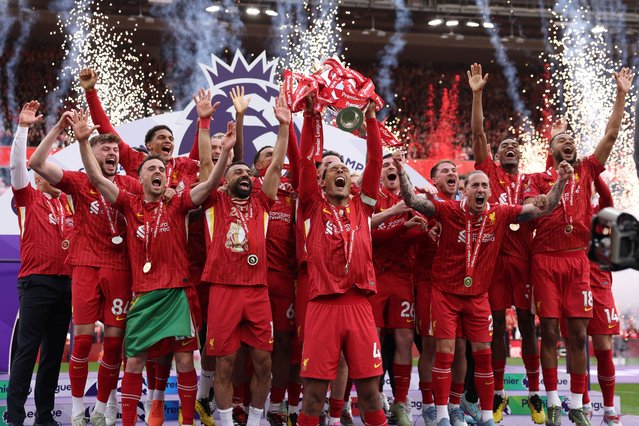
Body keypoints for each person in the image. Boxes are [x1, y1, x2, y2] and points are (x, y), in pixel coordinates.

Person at [72, 107, 237, 426]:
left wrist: (225, 154)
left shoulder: (179, 203)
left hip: (178, 294)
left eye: (163, 167)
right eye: (152, 168)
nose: (159, 171)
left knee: (185, 360)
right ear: (141, 174)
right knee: (133, 362)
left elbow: (209, 184)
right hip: (144, 295)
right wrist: (82, 143)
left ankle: (187, 421)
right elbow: (95, 178)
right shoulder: (128, 203)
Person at [397, 158, 573, 426]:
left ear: (490, 192)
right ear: (464, 190)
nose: (480, 189)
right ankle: (443, 415)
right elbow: (413, 201)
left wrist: (561, 181)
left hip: (478, 296)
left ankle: (487, 416)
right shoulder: (448, 210)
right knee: (446, 353)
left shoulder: (500, 213)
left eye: (485, 186)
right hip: (445, 294)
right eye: (475, 185)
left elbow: (544, 207)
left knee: (484, 355)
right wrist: (401, 171)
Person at [524, 67, 633, 426]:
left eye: (571, 138)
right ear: (550, 151)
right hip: (546, 259)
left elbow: (612, 133)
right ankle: (553, 401)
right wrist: (559, 182)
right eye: (560, 140)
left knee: (579, 333)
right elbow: (537, 209)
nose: (567, 141)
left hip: (577, 261)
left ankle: (576, 404)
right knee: (550, 331)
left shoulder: (587, 169)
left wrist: (620, 94)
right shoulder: (538, 179)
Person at [29, 108, 141, 426]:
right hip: (86, 266)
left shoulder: (131, 185)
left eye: (114, 149)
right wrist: (59, 129)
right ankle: (78, 408)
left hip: (120, 269)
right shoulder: (79, 182)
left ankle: (102, 407)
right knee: (80, 341)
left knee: (115, 344)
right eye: (104, 149)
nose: (111, 153)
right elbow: (36, 164)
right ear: (90, 154)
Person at [296, 93, 387, 426]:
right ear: (321, 182)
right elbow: (307, 160)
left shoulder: (362, 206)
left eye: (344, 170)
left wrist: (372, 120)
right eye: (332, 169)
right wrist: (310, 117)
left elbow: (375, 159)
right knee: (314, 397)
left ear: (352, 183)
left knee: (370, 395)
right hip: (322, 307)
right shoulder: (311, 206)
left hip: (360, 306)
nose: (340, 172)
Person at [201, 93, 291, 426]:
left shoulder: (263, 201)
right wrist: (205, 122)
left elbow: (278, 165)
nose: (243, 175)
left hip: (257, 291)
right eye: (235, 171)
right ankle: (225, 420)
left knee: (263, 362)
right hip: (223, 290)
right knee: (225, 363)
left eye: (246, 172)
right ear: (224, 182)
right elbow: (208, 167)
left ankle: (255, 419)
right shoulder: (215, 201)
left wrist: (284, 127)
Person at [467, 62, 544, 424]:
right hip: (494, 261)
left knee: (528, 325)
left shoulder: (529, 180)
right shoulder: (489, 173)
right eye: (504, 146)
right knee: (497, 324)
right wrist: (478, 94)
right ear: (496, 157)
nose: (510, 147)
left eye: (515, 145)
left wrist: (532, 206)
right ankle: (497, 393)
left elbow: (535, 204)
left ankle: (534, 394)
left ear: (520, 155)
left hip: (524, 260)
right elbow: (478, 131)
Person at [6, 101, 73, 426]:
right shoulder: (27, 198)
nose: (51, 173)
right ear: (36, 177)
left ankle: (44, 416)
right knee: (26, 352)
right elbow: (18, 166)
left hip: (66, 285)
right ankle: (15, 416)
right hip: (37, 282)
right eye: (44, 169)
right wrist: (22, 128)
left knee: (52, 356)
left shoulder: (70, 206)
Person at [369, 152, 426, 426]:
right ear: (379, 174)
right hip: (376, 278)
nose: (391, 169)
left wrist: (424, 231)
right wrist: (402, 227)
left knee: (404, 340)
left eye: (395, 166)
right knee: (375, 342)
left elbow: (420, 233)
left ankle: (401, 402)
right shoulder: (371, 200)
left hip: (403, 279)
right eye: (386, 166)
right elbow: (368, 236)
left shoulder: (414, 201)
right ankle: (377, 399)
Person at [581, 177, 621, 425]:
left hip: (601, 285)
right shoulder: (565, 210)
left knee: (604, 349)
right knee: (576, 345)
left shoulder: (600, 214)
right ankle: (583, 405)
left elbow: (607, 199)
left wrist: (593, 172)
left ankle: (608, 410)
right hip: (574, 283)